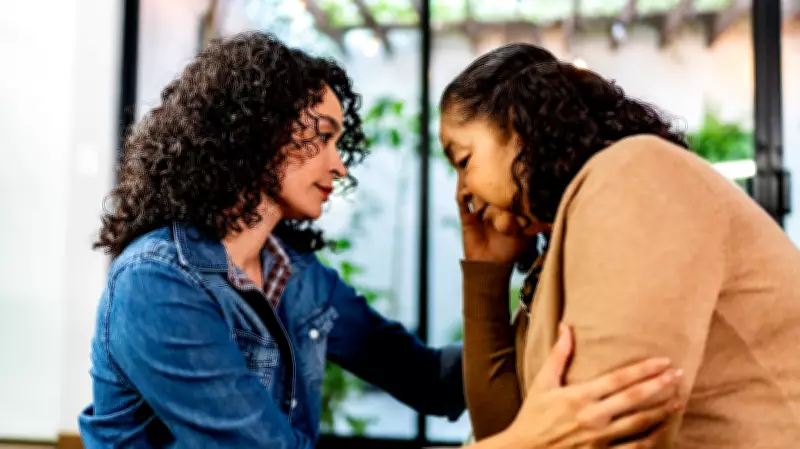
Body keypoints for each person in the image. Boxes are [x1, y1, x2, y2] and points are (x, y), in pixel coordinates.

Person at [78, 32, 681, 448]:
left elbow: (427, 380)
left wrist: (500, 284)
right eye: (324, 136)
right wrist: (526, 442)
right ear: (256, 132)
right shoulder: (158, 283)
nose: (340, 164)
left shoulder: (295, 276)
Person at [439, 42, 800, 448]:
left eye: (464, 161)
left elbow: (610, 436)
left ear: (518, 125)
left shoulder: (634, 175)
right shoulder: (558, 254)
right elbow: (512, 433)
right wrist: (486, 275)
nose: (462, 194)